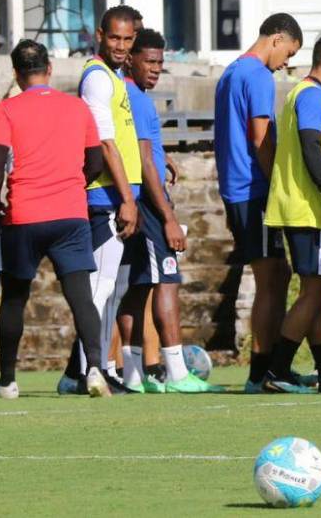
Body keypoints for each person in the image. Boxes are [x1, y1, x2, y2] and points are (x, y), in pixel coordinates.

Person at [0, 41, 111, 398]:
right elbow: (96, 161)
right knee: (81, 298)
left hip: (24, 216)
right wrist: (73, 184)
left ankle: (8, 381)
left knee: (14, 298)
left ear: (16, 74)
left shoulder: (6, 109)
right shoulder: (77, 108)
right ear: (49, 69)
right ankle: (95, 370)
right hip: (70, 215)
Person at [117, 29, 219, 393]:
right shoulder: (136, 99)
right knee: (166, 281)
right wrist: (169, 218)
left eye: (160, 62)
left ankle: (133, 375)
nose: (156, 69)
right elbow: (144, 160)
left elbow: (144, 151)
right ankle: (176, 373)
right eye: (149, 61)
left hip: (139, 198)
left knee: (137, 288)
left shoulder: (127, 95)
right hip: (149, 204)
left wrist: (164, 160)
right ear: (131, 59)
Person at [261, 34, 321, 394]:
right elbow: (311, 146)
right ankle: (277, 369)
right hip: (309, 210)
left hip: (303, 209)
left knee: (318, 289)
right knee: (317, 289)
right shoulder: (313, 96)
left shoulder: (304, 94)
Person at [214, 13, 303, 392]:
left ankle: (269, 367)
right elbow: (261, 137)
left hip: (237, 189)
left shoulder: (231, 72)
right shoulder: (258, 75)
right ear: (277, 39)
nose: (286, 64)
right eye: (289, 53)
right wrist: (280, 184)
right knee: (271, 278)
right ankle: (261, 372)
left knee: (277, 274)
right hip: (253, 189)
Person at [58, 5, 142, 394]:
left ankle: (83, 370)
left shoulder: (114, 76)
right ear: (99, 36)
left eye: (127, 39)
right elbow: (106, 143)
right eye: (114, 38)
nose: (121, 46)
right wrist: (127, 199)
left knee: (108, 289)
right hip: (105, 196)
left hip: (116, 195)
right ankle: (87, 371)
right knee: (99, 289)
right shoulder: (97, 78)